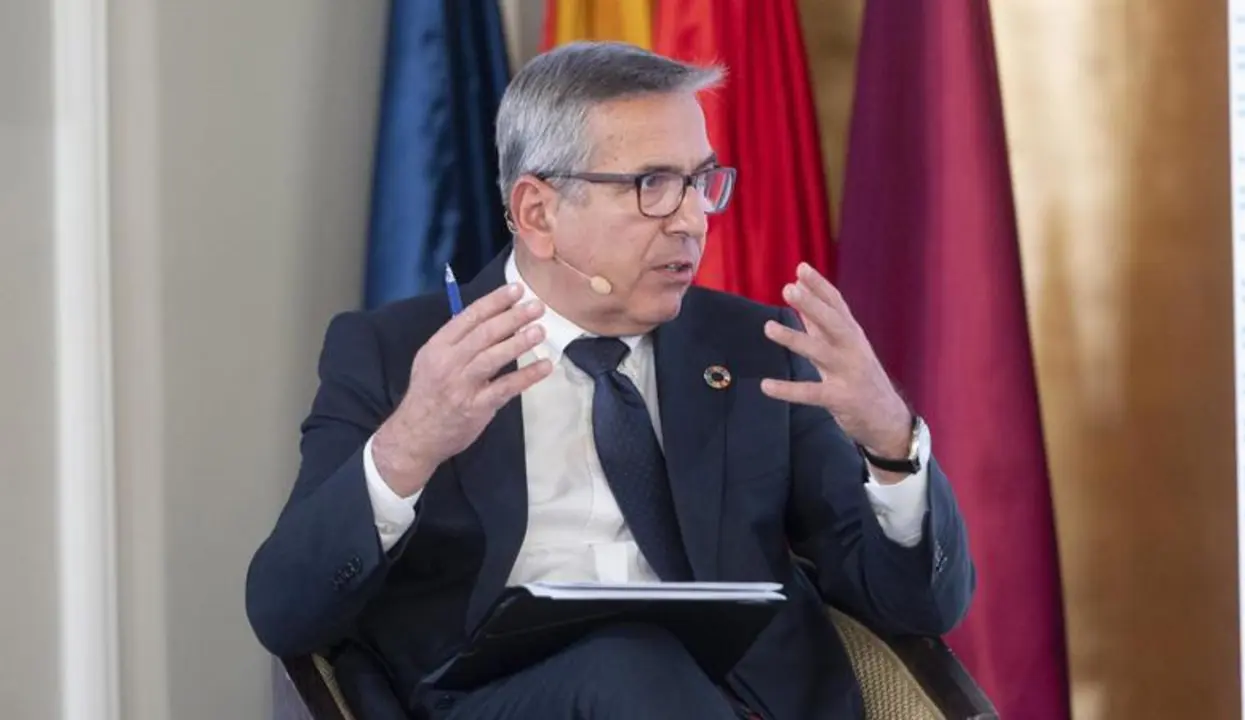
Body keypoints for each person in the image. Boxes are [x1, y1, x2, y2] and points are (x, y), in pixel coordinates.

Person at [246, 41, 974, 720]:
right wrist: (409, 444)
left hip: (738, 701)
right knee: (628, 663)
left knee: (646, 668)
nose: (692, 220)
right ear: (537, 213)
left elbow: (917, 608)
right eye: (652, 185)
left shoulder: (757, 350)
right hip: (504, 699)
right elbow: (285, 611)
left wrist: (891, 441)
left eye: (700, 182)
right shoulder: (399, 355)